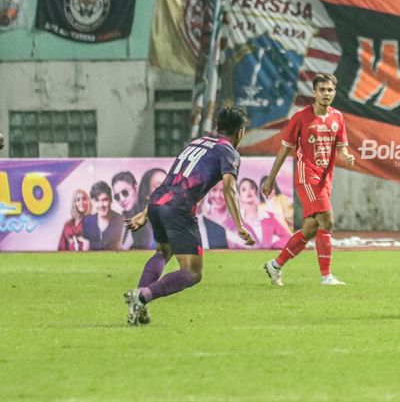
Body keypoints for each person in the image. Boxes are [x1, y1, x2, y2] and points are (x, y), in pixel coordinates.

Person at [122, 106, 254, 326]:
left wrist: (146, 212)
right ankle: (142, 296)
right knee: (192, 272)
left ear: (218, 126)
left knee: (163, 252)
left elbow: (171, 178)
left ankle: (139, 302)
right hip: (179, 209)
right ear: (240, 132)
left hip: (157, 202)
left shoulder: (197, 143)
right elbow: (229, 188)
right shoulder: (229, 152)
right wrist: (239, 224)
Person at [262, 73, 355, 286]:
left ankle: (274, 266)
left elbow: (341, 147)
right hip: (307, 178)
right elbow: (284, 150)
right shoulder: (301, 118)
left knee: (310, 229)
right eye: (322, 90)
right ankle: (326, 276)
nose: (326, 94)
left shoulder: (337, 117)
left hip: (325, 180)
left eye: (330, 90)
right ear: (314, 93)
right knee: (328, 221)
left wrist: (347, 156)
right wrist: (270, 179)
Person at [232, 178, 291, 249]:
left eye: (252, 188)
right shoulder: (235, 219)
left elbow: (287, 237)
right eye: (244, 189)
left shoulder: (269, 216)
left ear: (256, 192)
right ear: (240, 196)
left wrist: (273, 245)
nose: (248, 191)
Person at [112, 171, 152, 249]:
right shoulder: (126, 217)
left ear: (135, 187)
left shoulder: (148, 212)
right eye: (117, 197)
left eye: (125, 192)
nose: (122, 199)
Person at [82, 181, 124, 251]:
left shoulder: (121, 221)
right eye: (97, 201)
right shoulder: (87, 222)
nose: (101, 205)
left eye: (105, 200)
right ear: (93, 202)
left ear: (110, 200)